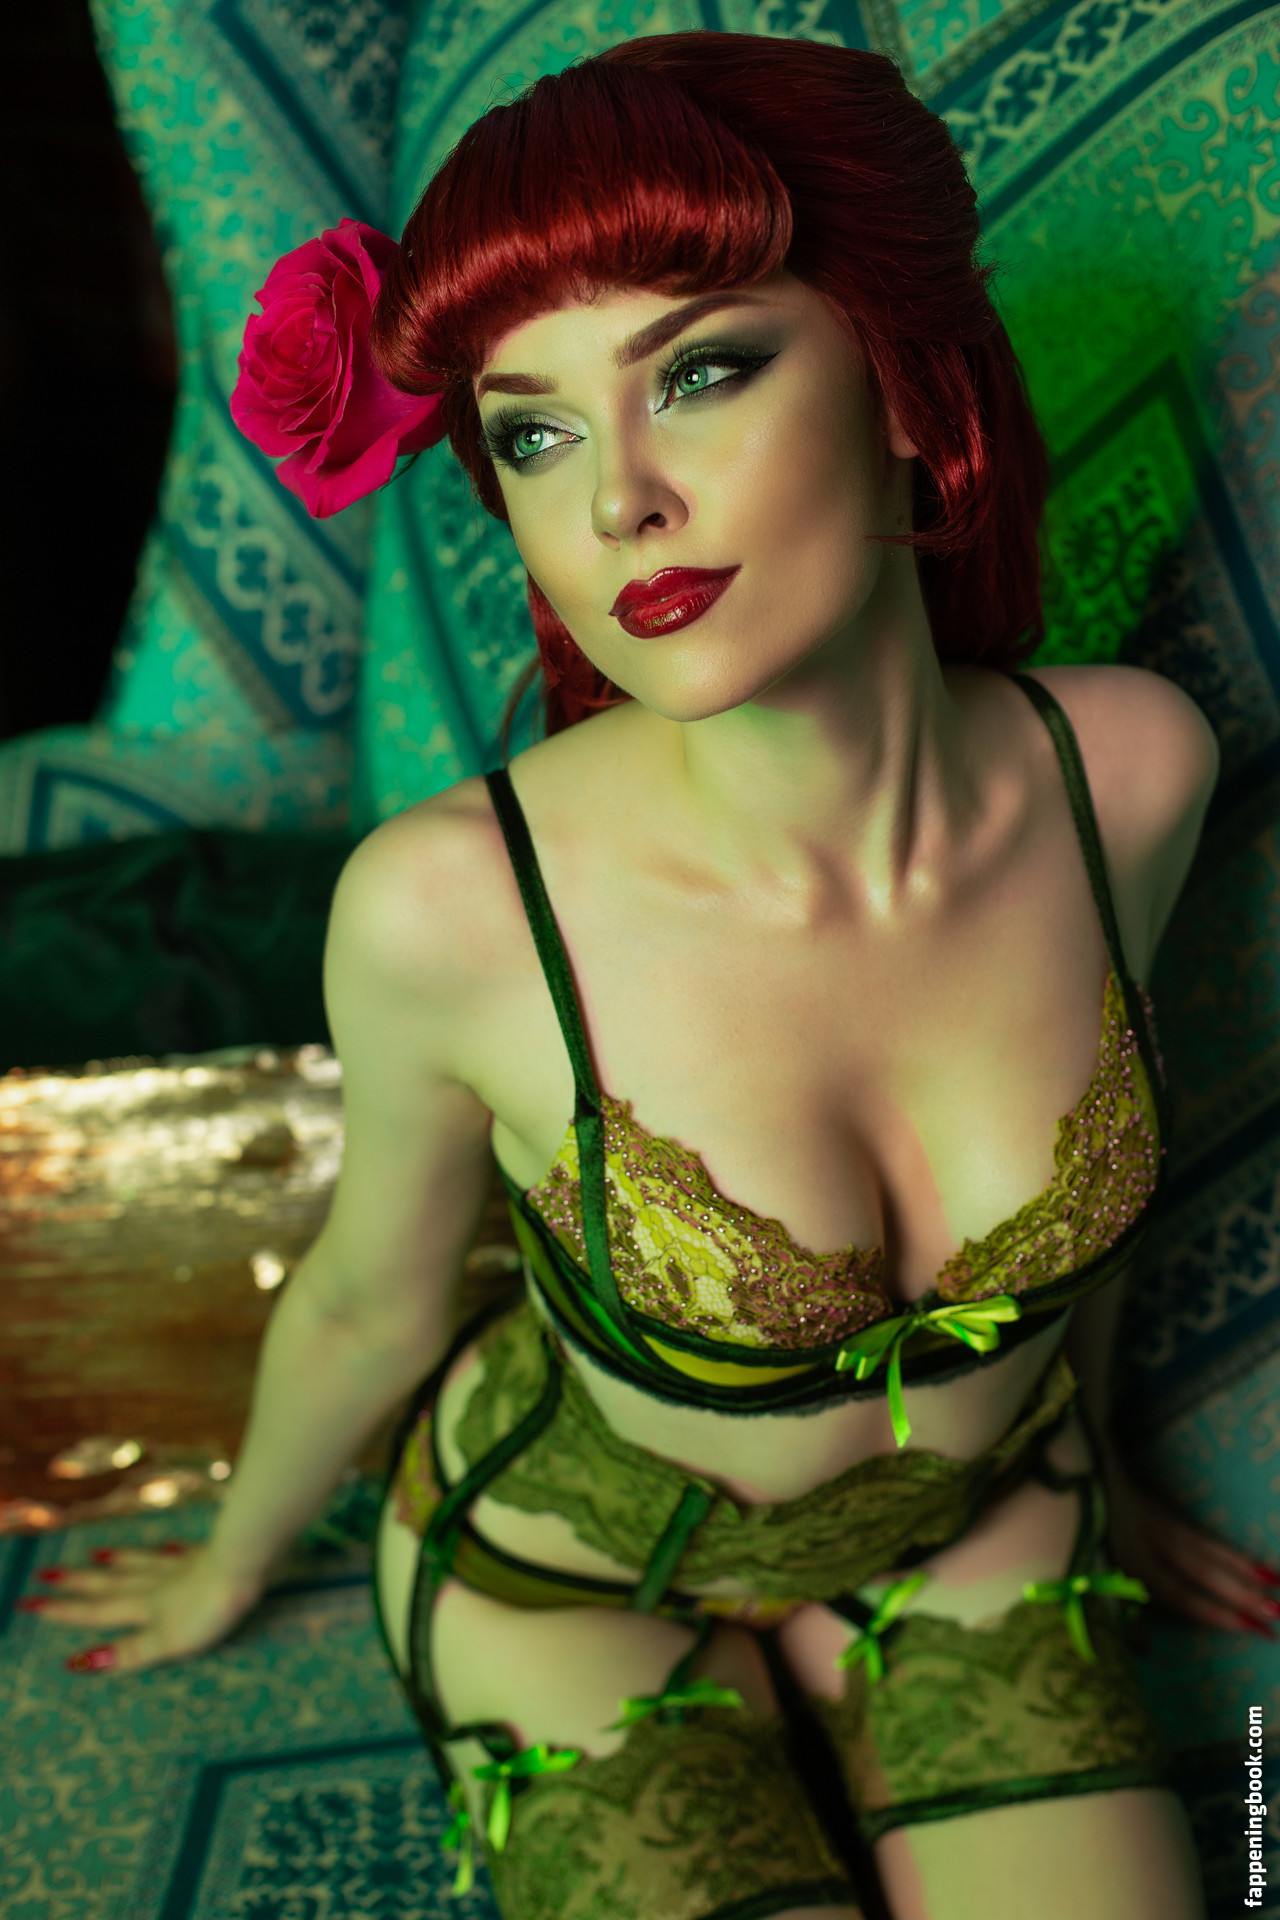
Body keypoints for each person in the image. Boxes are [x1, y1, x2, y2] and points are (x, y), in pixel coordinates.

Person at [27, 34, 1280, 1920]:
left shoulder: (1132, 772)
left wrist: (1100, 1464)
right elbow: (369, 1299)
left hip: (984, 1531)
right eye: (535, 434)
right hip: (566, 1579)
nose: (620, 501)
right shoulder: (453, 911)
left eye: (700, 373)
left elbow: (1085, 1243)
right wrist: (229, 1565)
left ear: (902, 380)